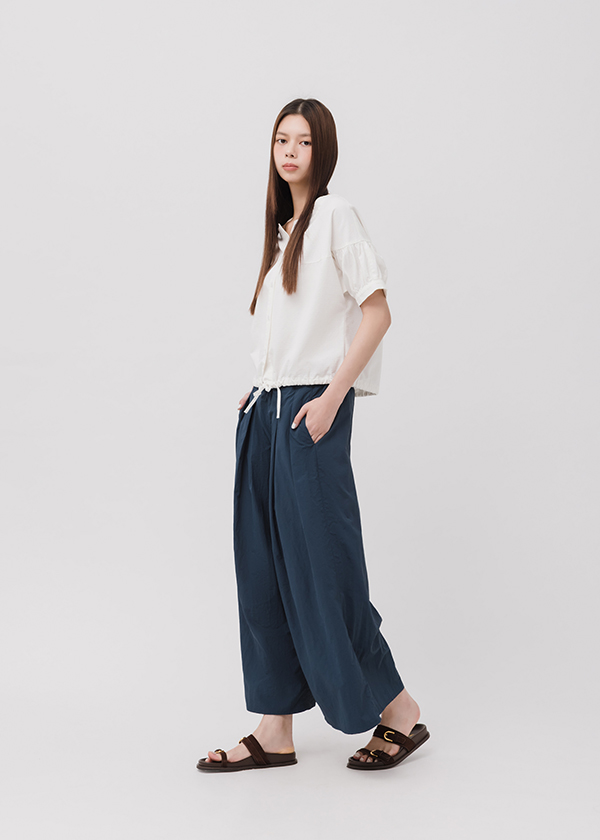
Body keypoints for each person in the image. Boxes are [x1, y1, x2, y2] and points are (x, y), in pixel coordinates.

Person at [197, 98, 430, 773]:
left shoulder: (335, 216)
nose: (290, 152)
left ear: (321, 150)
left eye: (302, 141)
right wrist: (259, 390)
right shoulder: (282, 235)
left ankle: (400, 709)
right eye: (281, 140)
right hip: (266, 413)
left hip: (309, 413)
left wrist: (331, 398)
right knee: (264, 574)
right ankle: (275, 729)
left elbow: (377, 313)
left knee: (325, 570)